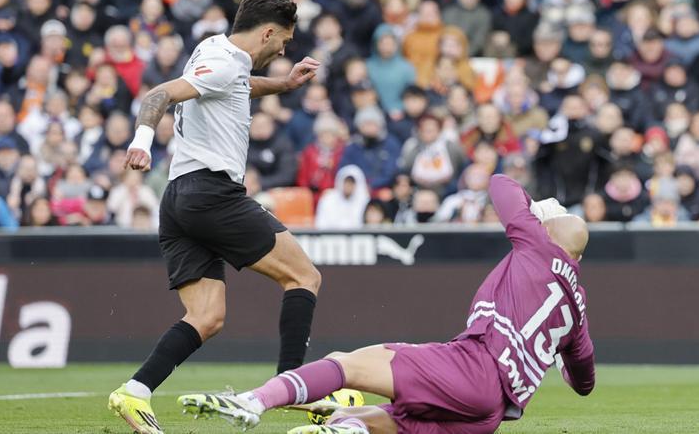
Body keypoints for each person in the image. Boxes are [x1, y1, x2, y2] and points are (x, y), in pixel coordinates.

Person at [178, 174, 594, 434]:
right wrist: (557, 359)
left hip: (474, 368)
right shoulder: (577, 311)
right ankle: (345, 429)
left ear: (547, 232)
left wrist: (533, 212)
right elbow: (583, 382)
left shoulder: (537, 243)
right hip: (491, 415)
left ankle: (253, 401)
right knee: (370, 421)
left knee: (345, 364)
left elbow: (501, 183)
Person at [109, 0, 323, 434]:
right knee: (304, 276)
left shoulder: (216, 51)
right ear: (267, 33)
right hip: (212, 194)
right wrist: (142, 141)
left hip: (179, 199)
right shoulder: (225, 62)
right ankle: (291, 387)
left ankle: (135, 391)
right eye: (284, 42)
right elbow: (157, 95)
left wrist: (284, 85)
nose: (283, 51)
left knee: (206, 317)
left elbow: (238, 85)